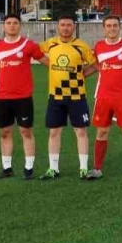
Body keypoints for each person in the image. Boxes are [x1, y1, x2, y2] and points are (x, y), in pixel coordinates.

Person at [0, 14, 47, 180]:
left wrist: (66, 68)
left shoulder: (29, 45)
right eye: (8, 23)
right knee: (5, 132)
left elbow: (47, 61)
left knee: (26, 131)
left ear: (20, 26)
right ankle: (7, 168)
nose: (12, 26)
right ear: (4, 26)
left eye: (15, 23)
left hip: (23, 97)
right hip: (1, 97)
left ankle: (28, 168)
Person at [39, 15, 97, 180]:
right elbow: (35, 53)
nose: (65, 28)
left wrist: (82, 75)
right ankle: (53, 168)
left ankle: (84, 168)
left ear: (74, 27)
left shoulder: (81, 46)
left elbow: (95, 64)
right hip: (55, 96)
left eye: (69, 25)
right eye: (62, 25)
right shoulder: (50, 43)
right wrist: (50, 65)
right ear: (58, 27)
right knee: (54, 132)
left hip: (77, 96)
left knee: (80, 131)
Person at [89, 16, 122, 181]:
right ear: (104, 28)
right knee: (102, 131)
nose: (112, 28)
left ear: (120, 28)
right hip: (103, 96)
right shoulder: (98, 46)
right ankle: (97, 169)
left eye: (115, 25)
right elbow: (95, 65)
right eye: (108, 26)